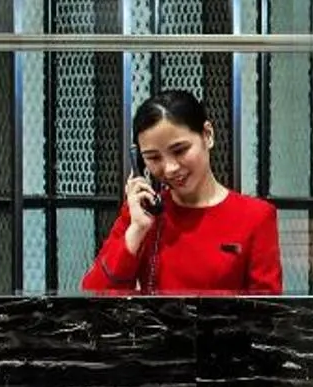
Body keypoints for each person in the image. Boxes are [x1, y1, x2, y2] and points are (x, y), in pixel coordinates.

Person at [81, 89, 284, 295]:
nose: (169, 168)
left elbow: (267, 311)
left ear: (208, 135)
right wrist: (136, 231)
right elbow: (91, 299)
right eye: (153, 158)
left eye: (180, 151)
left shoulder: (256, 217)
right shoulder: (142, 213)